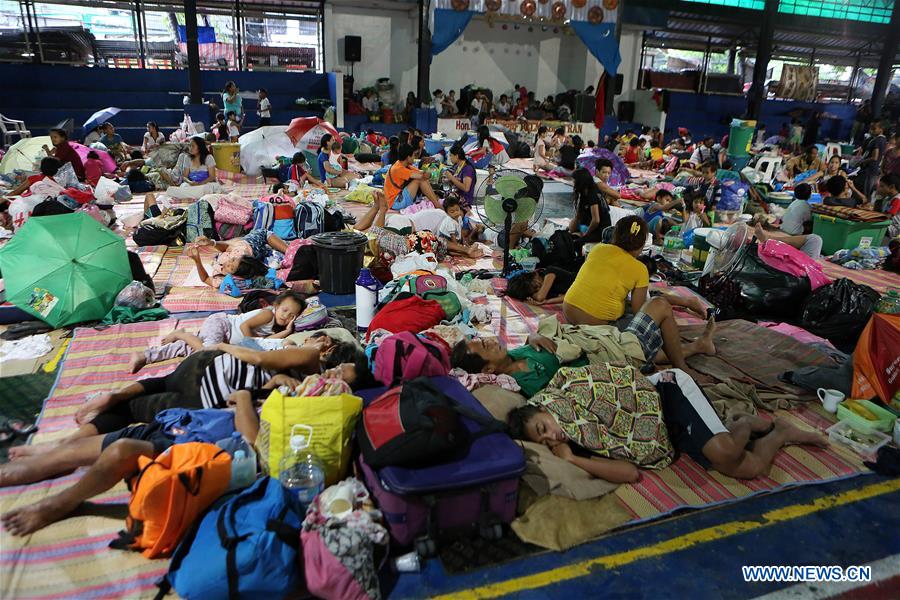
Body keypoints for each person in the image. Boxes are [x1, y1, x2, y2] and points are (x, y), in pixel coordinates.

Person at [508, 379, 826, 481]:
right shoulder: (575, 440)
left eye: (543, 427)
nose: (552, 436)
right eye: (544, 440)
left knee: (727, 452)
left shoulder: (567, 398)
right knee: (746, 469)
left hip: (665, 394)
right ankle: (780, 432)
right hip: (666, 434)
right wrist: (573, 460)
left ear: (545, 407)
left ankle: (740, 422)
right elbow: (630, 472)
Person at [129, 290, 307, 373]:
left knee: (187, 349)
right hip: (222, 323)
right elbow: (245, 328)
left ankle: (146, 355)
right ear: (276, 306)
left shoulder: (278, 324)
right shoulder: (268, 314)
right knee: (206, 352)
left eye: (292, 315)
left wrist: (287, 331)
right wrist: (251, 344)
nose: (286, 316)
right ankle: (182, 334)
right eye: (284, 311)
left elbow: (266, 341)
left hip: (226, 337)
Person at [188, 229, 288, 288]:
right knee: (262, 232)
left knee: (262, 238)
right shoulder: (238, 257)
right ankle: (289, 251)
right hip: (250, 247)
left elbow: (205, 279)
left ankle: (286, 250)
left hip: (248, 251)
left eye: (231, 267)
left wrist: (197, 260)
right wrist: (211, 243)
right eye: (232, 261)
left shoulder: (222, 279)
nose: (228, 263)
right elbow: (227, 248)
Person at [384, 143, 441, 210]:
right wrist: (428, 173)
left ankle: (436, 202)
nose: (414, 158)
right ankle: (438, 205)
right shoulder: (398, 169)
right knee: (419, 180)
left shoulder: (404, 165)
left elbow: (421, 173)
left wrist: (427, 173)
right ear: (408, 157)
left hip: (399, 196)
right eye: (413, 156)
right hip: (395, 202)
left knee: (423, 179)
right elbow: (421, 176)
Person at [568, 167, 609, 246]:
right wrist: (570, 230)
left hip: (600, 230)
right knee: (569, 237)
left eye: (574, 180)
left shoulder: (592, 194)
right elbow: (578, 216)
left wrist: (586, 234)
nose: (572, 183)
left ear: (580, 181)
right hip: (589, 224)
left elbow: (596, 220)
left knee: (576, 243)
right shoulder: (584, 193)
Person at [506, 266, 577, 306]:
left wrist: (536, 297)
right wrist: (547, 301)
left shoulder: (549, 272)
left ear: (534, 274)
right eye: (536, 290)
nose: (538, 286)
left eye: (534, 285)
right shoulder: (548, 292)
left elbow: (540, 297)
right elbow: (568, 297)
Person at [858, 120, 887, 198]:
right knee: (870, 190)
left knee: (867, 190)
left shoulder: (877, 140)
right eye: (871, 128)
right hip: (874, 169)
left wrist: (862, 161)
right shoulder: (883, 139)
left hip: (871, 169)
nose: (871, 130)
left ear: (881, 129)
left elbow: (875, 157)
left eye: (874, 128)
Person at [871, 174, 900, 239]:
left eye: (882, 186)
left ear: (891, 187)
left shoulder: (897, 199)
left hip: (894, 229)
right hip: (887, 225)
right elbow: (876, 211)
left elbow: (887, 216)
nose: (879, 189)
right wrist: (879, 198)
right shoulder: (888, 198)